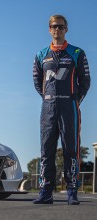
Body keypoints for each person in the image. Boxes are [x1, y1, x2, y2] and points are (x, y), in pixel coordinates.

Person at [32, 15, 91, 205]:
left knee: (70, 149)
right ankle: (46, 191)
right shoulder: (41, 54)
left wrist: (75, 100)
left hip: (69, 108)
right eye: (54, 27)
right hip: (48, 108)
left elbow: (85, 81)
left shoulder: (77, 52)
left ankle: (72, 190)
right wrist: (49, 99)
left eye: (61, 27)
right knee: (46, 149)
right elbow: (37, 82)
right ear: (49, 29)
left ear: (66, 29)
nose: (57, 30)